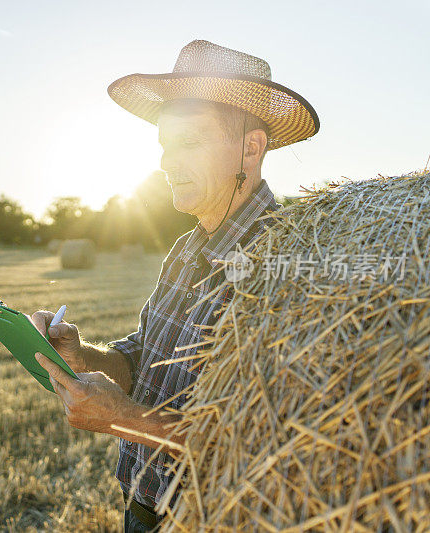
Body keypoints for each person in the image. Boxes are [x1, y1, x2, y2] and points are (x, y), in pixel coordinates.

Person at [29, 39, 320, 532]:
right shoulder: (185, 251)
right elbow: (143, 360)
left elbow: (271, 441)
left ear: (251, 147)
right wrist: (80, 356)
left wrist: (126, 419)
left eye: (190, 141)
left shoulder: (287, 266)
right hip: (144, 511)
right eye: (164, 144)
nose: (166, 162)